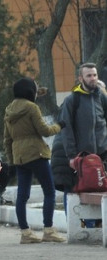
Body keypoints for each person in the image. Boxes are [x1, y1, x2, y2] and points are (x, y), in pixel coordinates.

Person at [3, 77, 65, 243]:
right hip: (36, 153)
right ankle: (48, 230)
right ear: (30, 91)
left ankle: (25, 232)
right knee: (49, 192)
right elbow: (44, 130)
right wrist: (59, 126)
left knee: (22, 195)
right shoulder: (31, 107)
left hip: (20, 157)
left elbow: (7, 139)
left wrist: (11, 161)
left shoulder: (9, 109)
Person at [54, 62, 107, 192]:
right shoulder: (72, 100)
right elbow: (66, 129)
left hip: (101, 156)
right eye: (88, 75)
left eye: (95, 75)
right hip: (81, 157)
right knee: (75, 192)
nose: (93, 78)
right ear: (80, 78)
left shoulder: (102, 98)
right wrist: (72, 156)